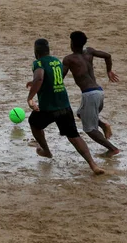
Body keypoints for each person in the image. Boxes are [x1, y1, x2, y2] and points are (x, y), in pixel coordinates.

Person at [26, 38, 105, 175]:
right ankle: (93, 165)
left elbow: (39, 78)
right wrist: (34, 83)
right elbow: (49, 78)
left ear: (36, 51)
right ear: (48, 50)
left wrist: (30, 98)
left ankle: (46, 151)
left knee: (33, 123)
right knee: (74, 136)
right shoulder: (56, 61)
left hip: (48, 107)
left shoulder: (38, 63)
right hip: (64, 105)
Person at [62, 31, 120, 157]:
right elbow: (107, 55)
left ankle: (113, 149)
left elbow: (60, 77)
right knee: (80, 114)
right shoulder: (89, 51)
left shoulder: (69, 59)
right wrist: (109, 71)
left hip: (89, 95)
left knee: (89, 130)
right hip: (99, 92)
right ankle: (104, 126)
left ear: (72, 43)